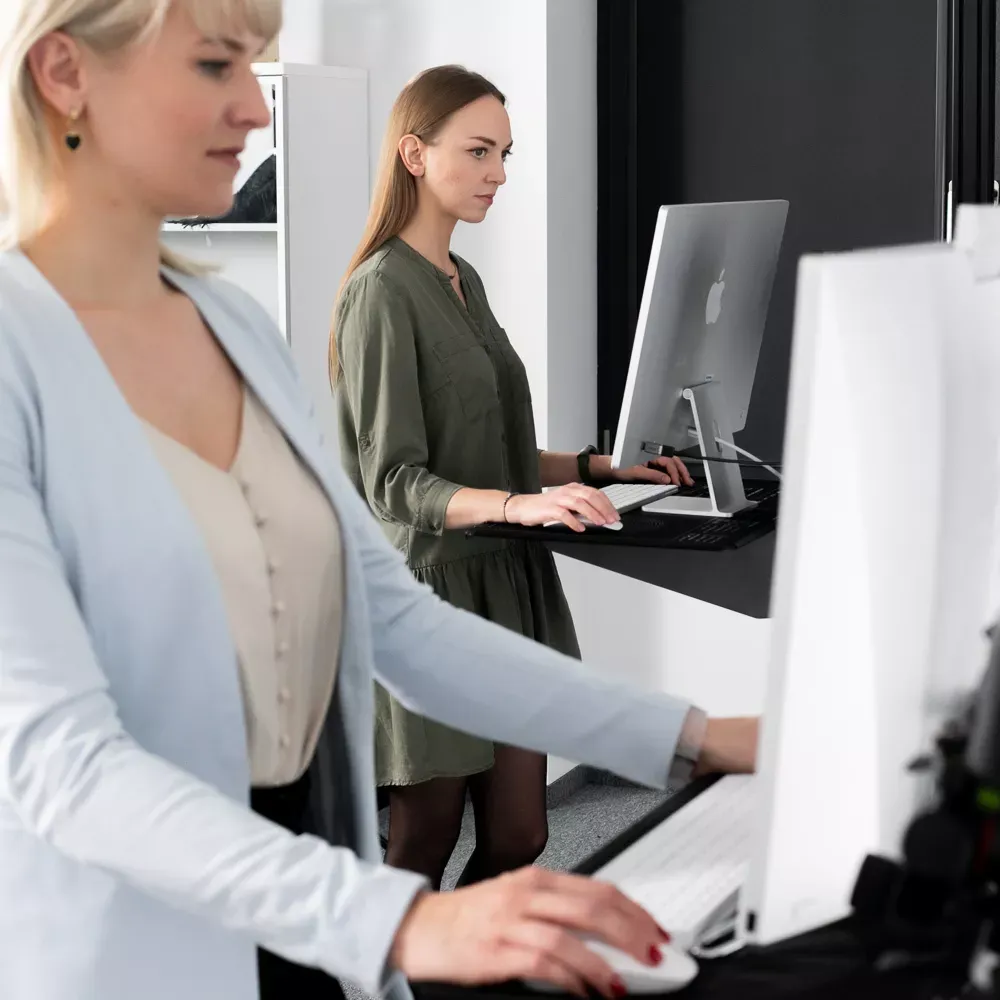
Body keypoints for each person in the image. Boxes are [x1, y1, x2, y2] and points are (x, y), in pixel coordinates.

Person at [0, 4, 758, 1000]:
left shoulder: (234, 325)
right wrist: (401, 913)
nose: (254, 111)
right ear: (65, 74)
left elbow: (396, 619)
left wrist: (693, 733)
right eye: (216, 65)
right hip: (138, 943)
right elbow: (57, 761)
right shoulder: (17, 351)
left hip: (306, 917)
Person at [332, 65, 697, 890]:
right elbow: (394, 480)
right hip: (433, 592)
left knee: (521, 834)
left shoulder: (465, 283)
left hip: (508, 582)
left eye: (505, 152)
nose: (500, 172)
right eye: (480, 151)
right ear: (414, 154)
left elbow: (491, 446)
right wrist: (522, 505)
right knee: (420, 842)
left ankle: (473, 968)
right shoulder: (381, 292)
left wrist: (598, 466)